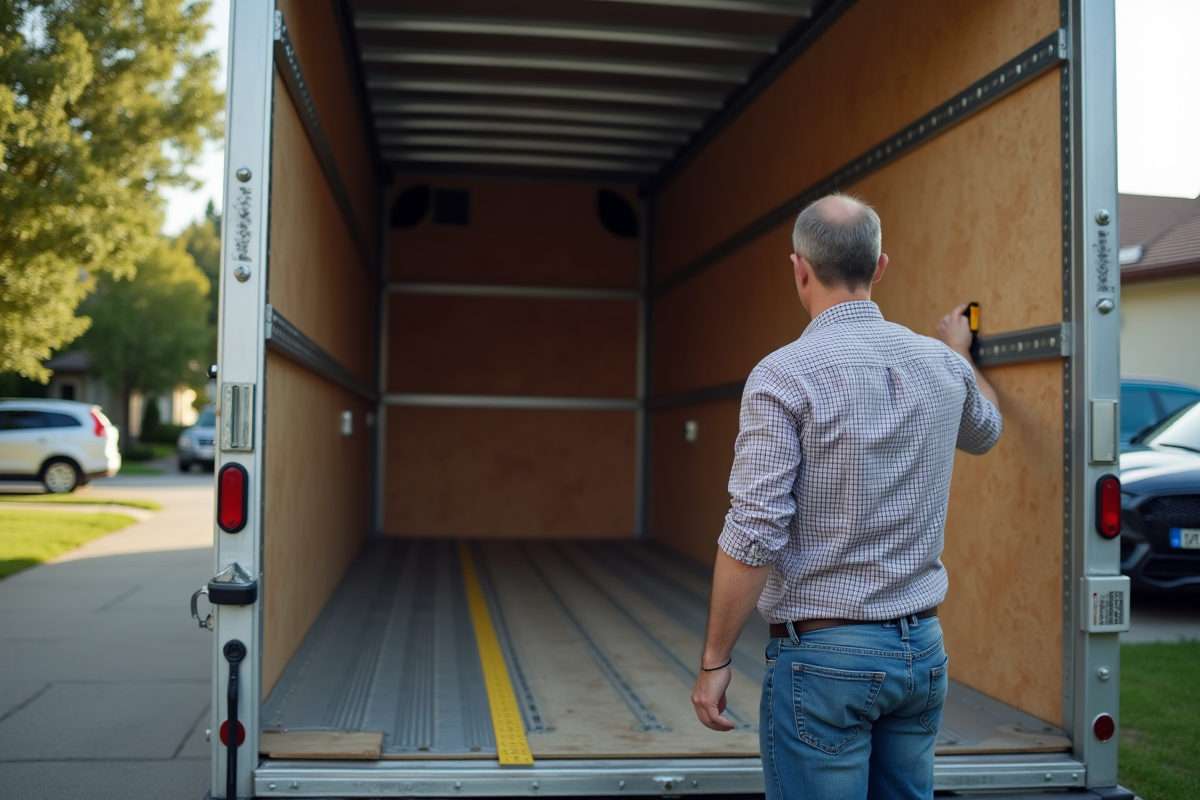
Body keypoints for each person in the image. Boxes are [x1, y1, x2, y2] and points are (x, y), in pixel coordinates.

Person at [690, 193, 1002, 800]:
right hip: (922, 655)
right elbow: (986, 430)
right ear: (880, 266)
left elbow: (754, 531)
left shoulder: (784, 374)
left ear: (799, 268)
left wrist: (714, 661)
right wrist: (962, 356)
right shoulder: (942, 366)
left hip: (825, 664)